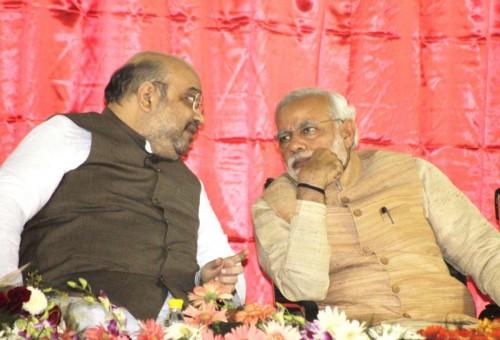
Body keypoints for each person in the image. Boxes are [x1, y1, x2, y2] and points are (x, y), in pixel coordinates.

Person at [0, 51, 247, 323]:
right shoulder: (71, 134)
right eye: (191, 99)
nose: (199, 116)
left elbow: (226, 266)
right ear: (148, 96)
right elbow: (5, 203)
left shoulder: (190, 182)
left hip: (177, 328)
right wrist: (11, 300)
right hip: (77, 321)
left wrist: (211, 279)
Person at [252, 88, 500, 326]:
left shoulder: (412, 172)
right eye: (285, 137)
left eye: (308, 130)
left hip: (449, 330)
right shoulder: (272, 206)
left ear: (346, 132)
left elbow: (484, 252)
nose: (295, 145)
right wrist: (311, 191)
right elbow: (303, 287)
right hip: (355, 333)